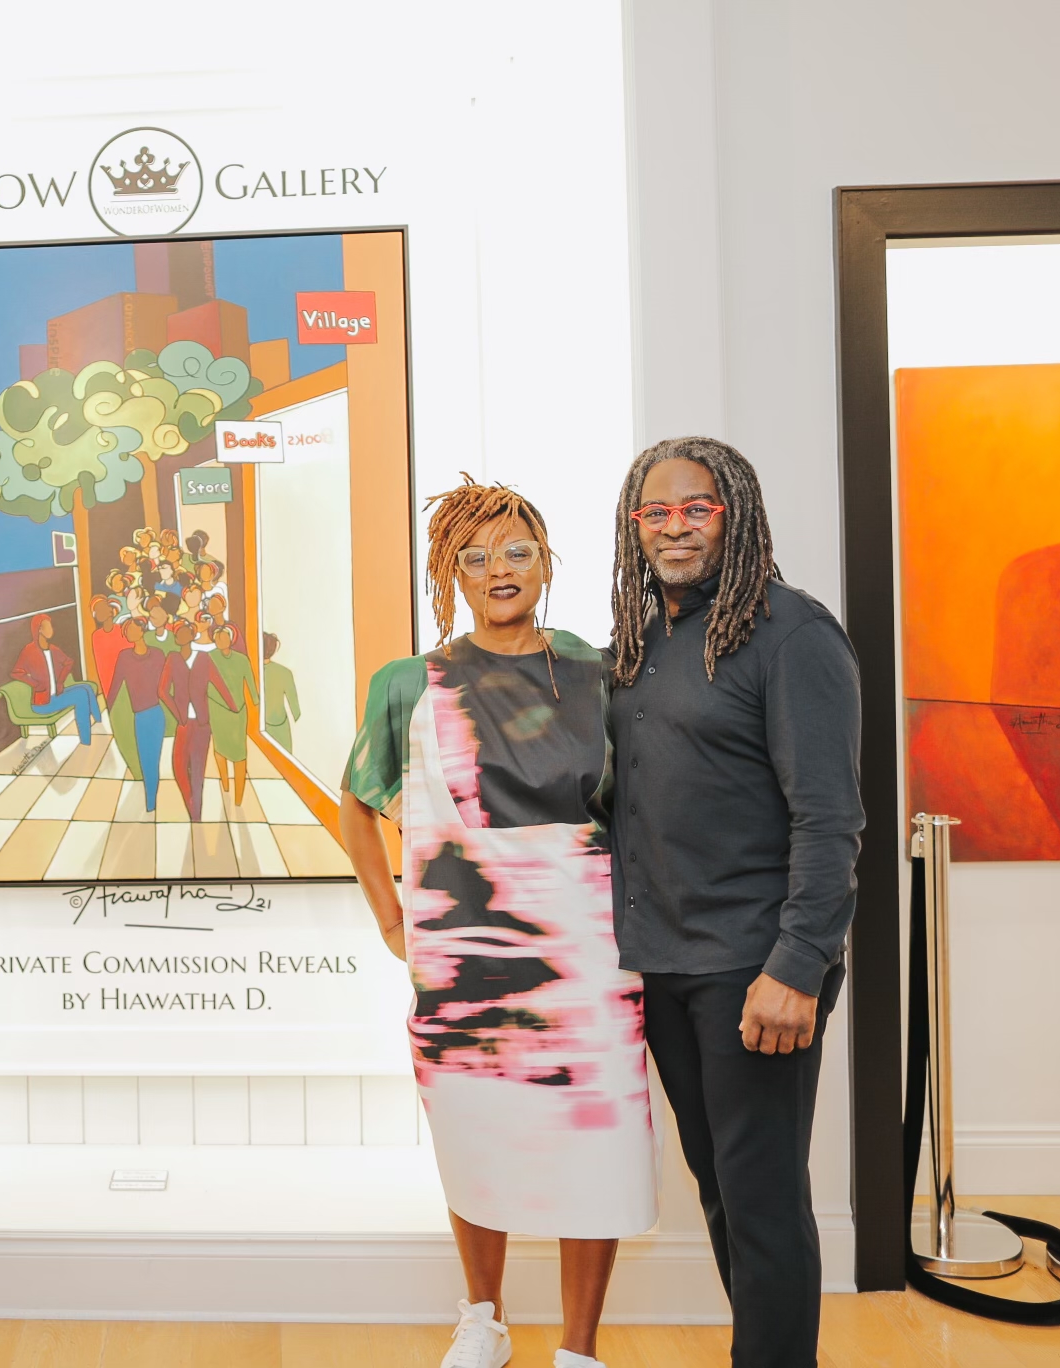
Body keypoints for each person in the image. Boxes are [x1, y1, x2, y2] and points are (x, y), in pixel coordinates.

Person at [340, 479, 655, 1368]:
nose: (499, 571)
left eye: (516, 551)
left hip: (588, 946)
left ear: (547, 561)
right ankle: (483, 1318)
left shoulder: (602, 673)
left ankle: (580, 1348)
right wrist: (393, 923)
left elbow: (642, 808)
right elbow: (356, 806)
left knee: (596, 1136)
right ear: (451, 575)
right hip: (463, 951)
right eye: (473, 559)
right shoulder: (410, 684)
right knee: (475, 1124)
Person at [608, 437, 862, 1368]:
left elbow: (832, 820)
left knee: (760, 1200)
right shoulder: (641, 645)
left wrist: (797, 967)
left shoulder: (792, 635)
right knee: (721, 1187)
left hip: (753, 968)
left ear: (737, 514)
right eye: (656, 511)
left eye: (698, 506)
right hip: (665, 963)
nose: (676, 526)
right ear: (635, 528)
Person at [160, 620, 235, 822]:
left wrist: (233, 706)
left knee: (198, 768)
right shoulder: (173, 658)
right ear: (176, 638)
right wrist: (178, 715)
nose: (182, 636)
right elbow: (163, 690)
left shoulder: (203, 658)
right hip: (184, 723)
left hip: (202, 723)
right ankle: (191, 802)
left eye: (186, 633)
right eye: (179, 634)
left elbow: (218, 682)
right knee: (178, 765)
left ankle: (196, 813)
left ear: (193, 636)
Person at [9, 611, 101, 745]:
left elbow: (69, 662)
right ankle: (85, 741)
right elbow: (16, 672)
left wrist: (60, 681)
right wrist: (35, 684)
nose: (52, 629)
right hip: (43, 703)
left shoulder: (52, 649)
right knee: (81, 695)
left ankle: (99, 721)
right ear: (39, 629)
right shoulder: (29, 651)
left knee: (86, 687)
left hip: (56, 695)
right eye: (48, 626)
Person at [109, 617, 170, 812]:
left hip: (156, 714)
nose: (128, 633)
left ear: (142, 630)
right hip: (139, 717)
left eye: (132, 629)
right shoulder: (124, 657)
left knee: (154, 759)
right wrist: (109, 708)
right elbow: (116, 685)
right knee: (146, 760)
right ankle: (150, 799)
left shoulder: (158, 655)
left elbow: (169, 683)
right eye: (126, 630)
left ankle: (151, 799)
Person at [207, 621, 258, 806]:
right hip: (216, 709)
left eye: (225, 636)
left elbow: (250, 682)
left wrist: (255, 700)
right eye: (218, 638)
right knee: (219, 747)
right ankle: (224, 782)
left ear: (231, 638)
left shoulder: (241, 659)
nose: (222, 640)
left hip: (238, 711)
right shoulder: (209, 658)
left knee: (239, 753)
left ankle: (239, 798)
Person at [261, 632, 301, 751]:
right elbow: (296, 710)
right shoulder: (285, 672)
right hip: (281, 725)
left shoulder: (252, 671)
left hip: (261, 726)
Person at [88, 594, 127, 689]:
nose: (97, 613)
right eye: (95, 611)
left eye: (101, 608)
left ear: (111, 610)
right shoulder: (96, 636)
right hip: (108, 681)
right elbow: (101, 666)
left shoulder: (122, 630)